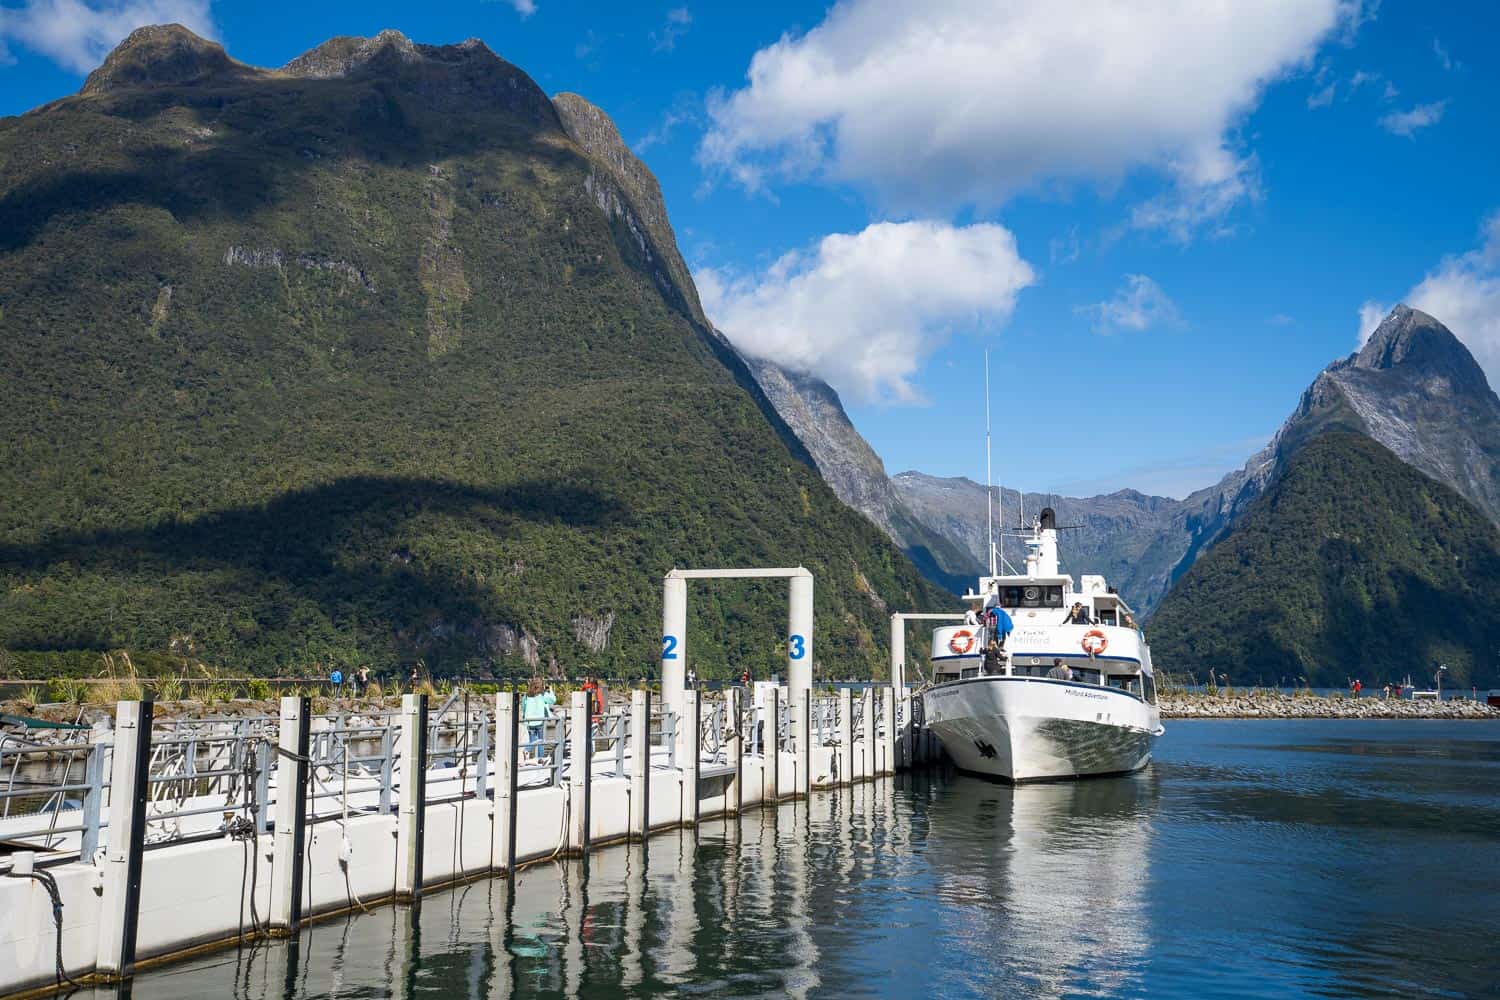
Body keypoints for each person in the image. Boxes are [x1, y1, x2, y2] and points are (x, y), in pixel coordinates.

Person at [520, 677, 556, 754]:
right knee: (541, 741)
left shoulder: (526, 696)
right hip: (540, 721)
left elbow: (523, 707)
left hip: (529, 721)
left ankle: (527, 749)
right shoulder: (543, 695)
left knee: (532, 740)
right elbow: (553, 700)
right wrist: (551, 690)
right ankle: (540, 759)